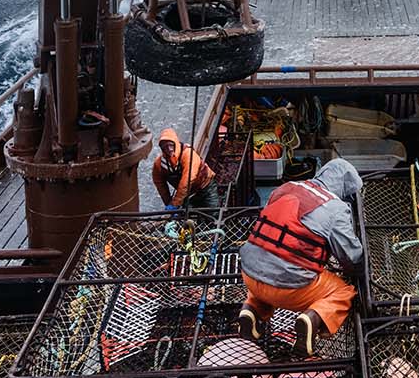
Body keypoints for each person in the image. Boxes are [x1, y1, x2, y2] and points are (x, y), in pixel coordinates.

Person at [237, 158, 363, 356]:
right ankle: (312, 319)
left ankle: (251, 310)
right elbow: (351, 257)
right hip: (290, 289)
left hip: (250, 277)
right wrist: (359, 272)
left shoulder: (286, 187)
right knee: (343, 292)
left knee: (268, 267)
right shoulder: (336, 208)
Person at [152, 128, 221, 211]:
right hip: (188, 194)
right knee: (187, 217)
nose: (169, 149)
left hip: (205, 186)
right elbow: (160, 185)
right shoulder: (159, 164)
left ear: (176, 144)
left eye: (171, 145)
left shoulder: (188, 154)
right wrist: (169, 203)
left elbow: (187, 180)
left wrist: (175, 203)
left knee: (213, 213)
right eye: (165, 147)